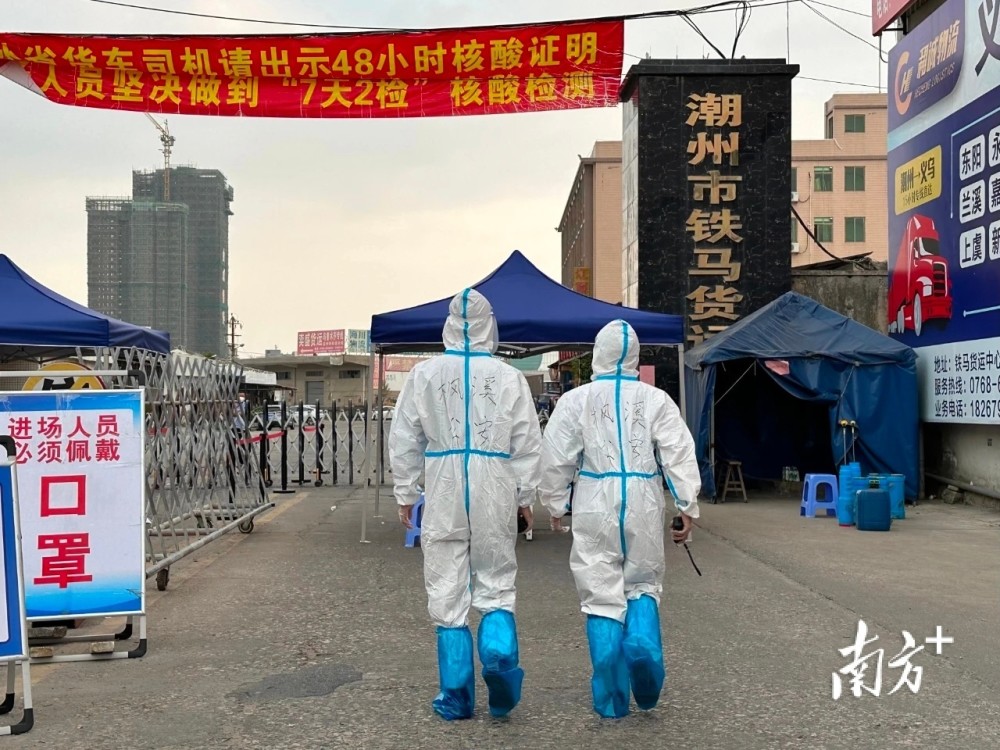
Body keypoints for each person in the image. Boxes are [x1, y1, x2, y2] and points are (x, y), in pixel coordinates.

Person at [390, 288, 542, 721]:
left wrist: (406, 492)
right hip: (495, 482)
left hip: (443, 483)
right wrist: (525, 496)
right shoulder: (508, 377)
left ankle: (456, 696)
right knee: (495, 579)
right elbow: (527, 442)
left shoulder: (424, 375)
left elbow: (404, 437)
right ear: (489, 325)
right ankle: (499, 661)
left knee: (446, 584)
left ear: (449, 326)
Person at [538, 319, 701, 719]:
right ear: (634, 357)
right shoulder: (656, 400)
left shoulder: (576, 400)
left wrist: (556, 503)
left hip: (595, 497)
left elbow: (556, 456)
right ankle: (644, 663)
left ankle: (612, 700)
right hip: (643, 498)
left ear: (598, 353)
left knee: (600, 592)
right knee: (642, 584)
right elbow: (678, 452)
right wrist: (686, 504)